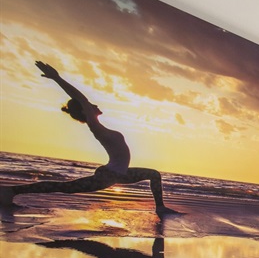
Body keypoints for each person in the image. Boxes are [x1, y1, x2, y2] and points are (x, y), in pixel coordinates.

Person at [0, 61, 174, 214]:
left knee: (154, 174)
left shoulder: (101, 127)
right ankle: (11, 190)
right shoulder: (95, 127)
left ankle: (160, 207)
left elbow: (83, 102)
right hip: (109, 175)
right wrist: (57, 78)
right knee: (66, 188)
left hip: (118, 174)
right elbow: (81, 99)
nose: (95, 105)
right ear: (86, 111)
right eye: (91, 105)